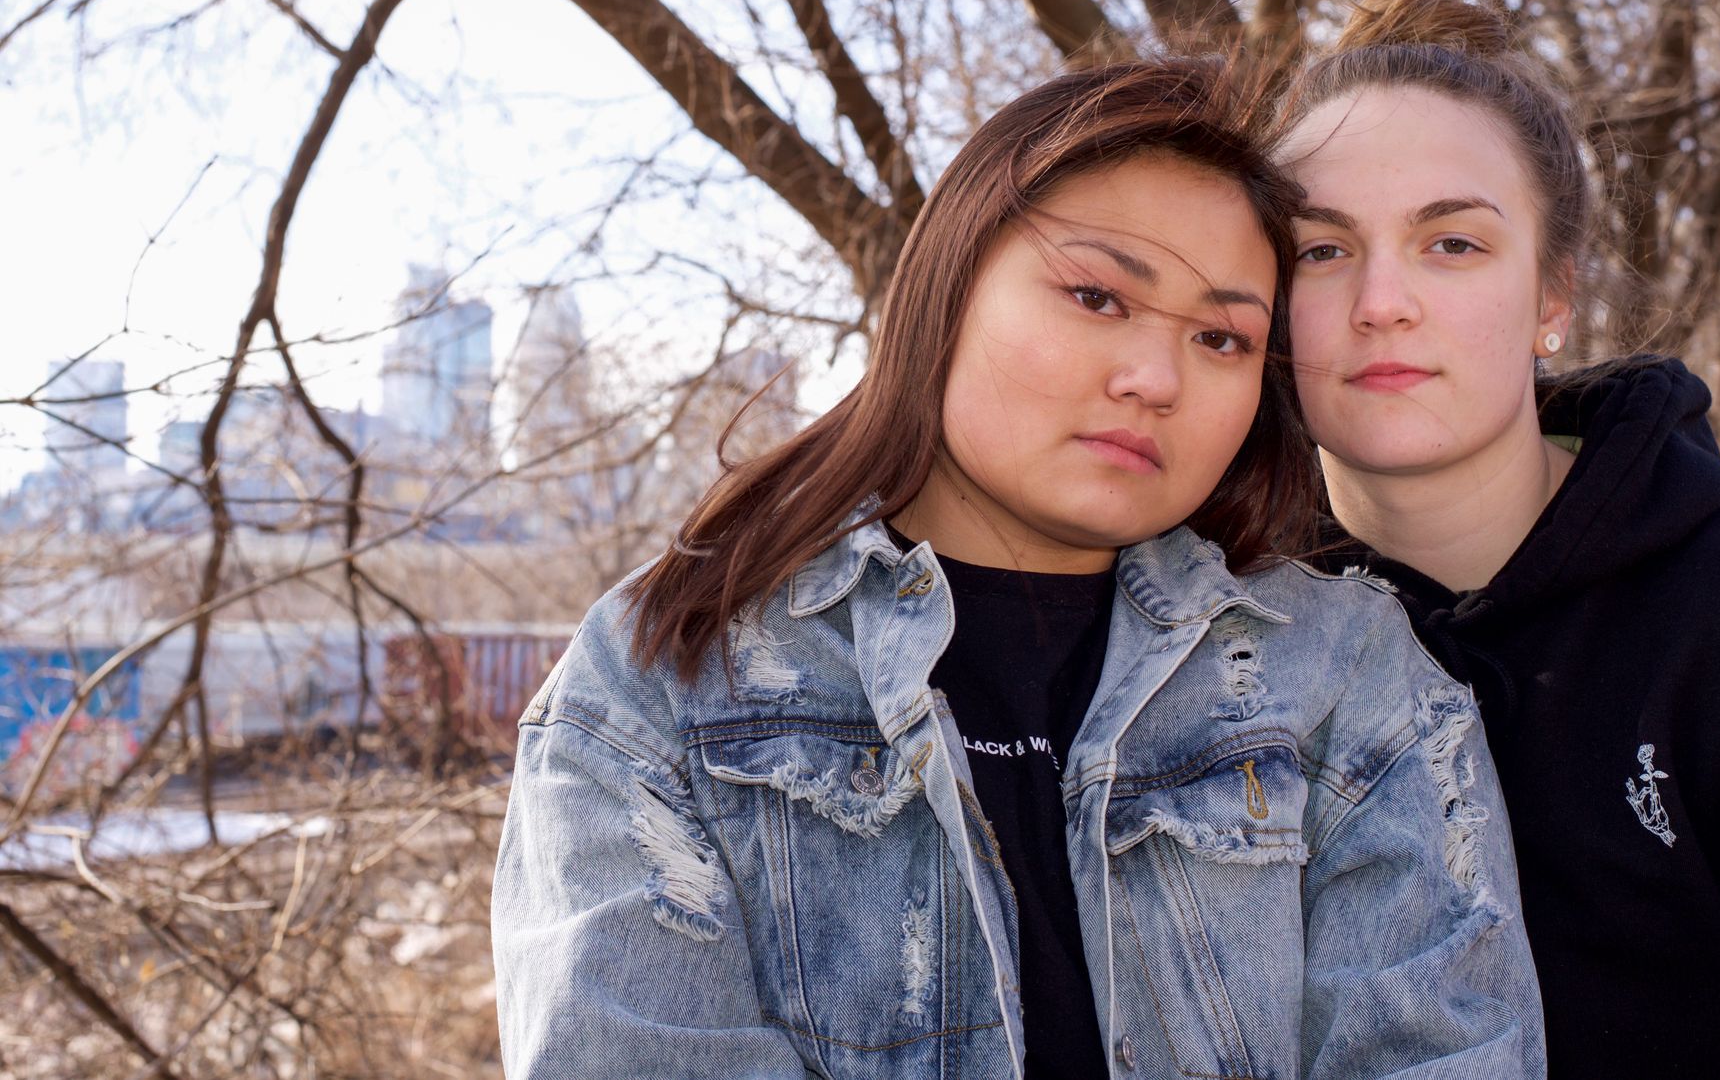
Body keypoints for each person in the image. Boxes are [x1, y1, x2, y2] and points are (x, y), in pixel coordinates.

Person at [492, 59, 1545, 1079]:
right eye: (1096, 297)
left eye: (1222, 339)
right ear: (949, 286)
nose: (1152, 378)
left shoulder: (1344, 682)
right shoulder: (663, 682)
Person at [1274, 0, 1720, 1079]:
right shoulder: (1190, 638)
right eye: (1322, 250)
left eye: (1453, 242)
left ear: (1554, 298)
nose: (1383, 303)